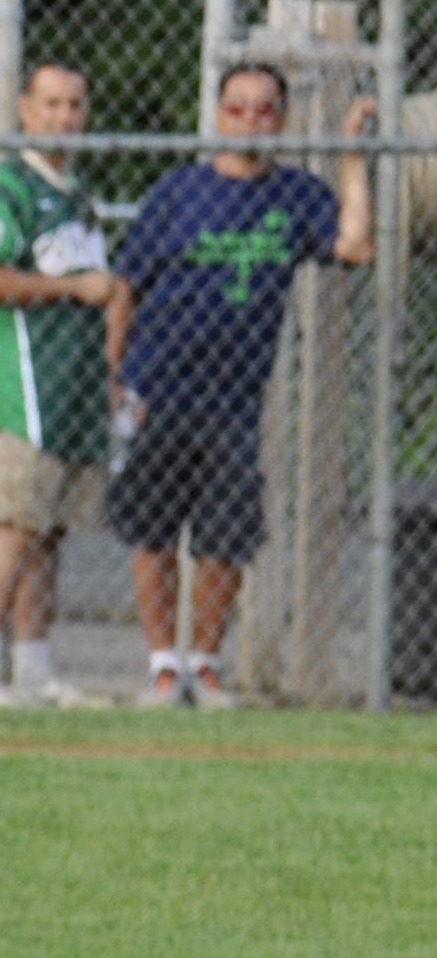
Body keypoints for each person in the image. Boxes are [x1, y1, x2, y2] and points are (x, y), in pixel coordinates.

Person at [107, 62, 377, 708]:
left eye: (263, 109)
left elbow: (356, 245)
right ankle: (163, 668)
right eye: (238, 108)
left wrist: (351, 157)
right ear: (219, 114)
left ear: (280, 119)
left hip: (234, 398)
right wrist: (115, 376)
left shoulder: (294, 195)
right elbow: (125, 286)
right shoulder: (179, 192)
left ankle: (205, 666)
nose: (250, 119)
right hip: (160, 385)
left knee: (223, 537)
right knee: (152, 532)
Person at [0, 61, 114, 708]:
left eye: (75, 104)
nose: (64, 117)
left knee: (49, 534)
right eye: (51, 103)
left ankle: (35, 670)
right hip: (22, 395)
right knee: (15, 527)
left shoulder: (77, 196)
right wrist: (69, 288)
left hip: (71, 394)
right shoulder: (6, 187)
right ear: (25, 109)